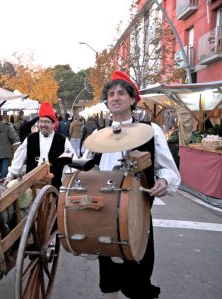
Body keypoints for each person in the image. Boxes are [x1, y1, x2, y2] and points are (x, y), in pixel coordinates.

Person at [84, 71, 180, 299]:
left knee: (139, 275)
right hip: (104, 213)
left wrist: (164, 180)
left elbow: (168, 169)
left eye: (120, 93)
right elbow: (85, 170)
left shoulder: (150, 131)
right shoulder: (98, 135)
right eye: (110, 94)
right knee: (108, 276)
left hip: (138, 214)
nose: (114, 97)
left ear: (132, 99)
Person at [4, 102, 76, 190]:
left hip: (54, 188)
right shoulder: (30, 139)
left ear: (53, 124)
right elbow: (18, 159)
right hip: (31, 188)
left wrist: (66, 183)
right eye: (41, 121)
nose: (42, 125)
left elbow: (72, 162)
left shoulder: (62, 140)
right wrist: (9, 177)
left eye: (46, 122)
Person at [0, 115, 21, 180]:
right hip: (6, 149)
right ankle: (4, 181)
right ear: (2, 119)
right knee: (5, 167)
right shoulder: (7, 126)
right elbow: (13, 138)